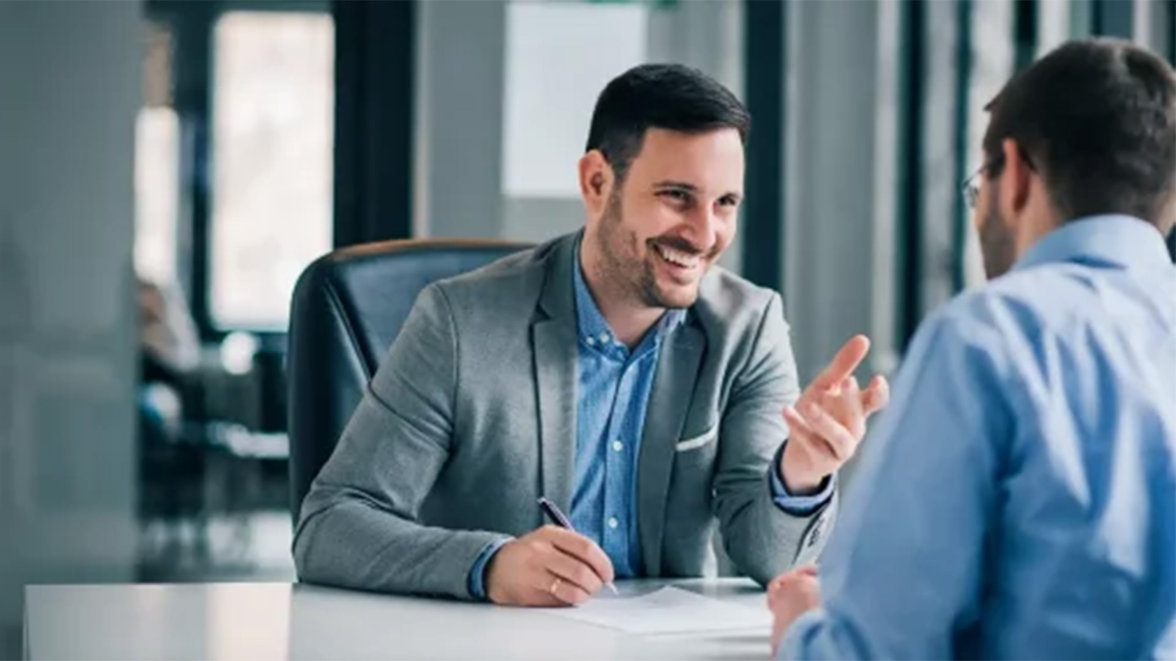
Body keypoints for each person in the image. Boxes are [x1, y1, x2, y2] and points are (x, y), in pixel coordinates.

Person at [293, 64, 889, 606]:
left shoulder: (747, 329)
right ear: (598, 182)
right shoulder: (457, 321)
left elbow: (768, 558)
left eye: (725, 202)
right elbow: (329, 526)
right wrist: (489, 564)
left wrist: (801, 473)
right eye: (677, 196)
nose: (705, 233)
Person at [769, 38, 1176, 659]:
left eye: (977, 182)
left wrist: (802, 628)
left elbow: (876, 650)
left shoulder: (989, 337)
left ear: (1013, 173)